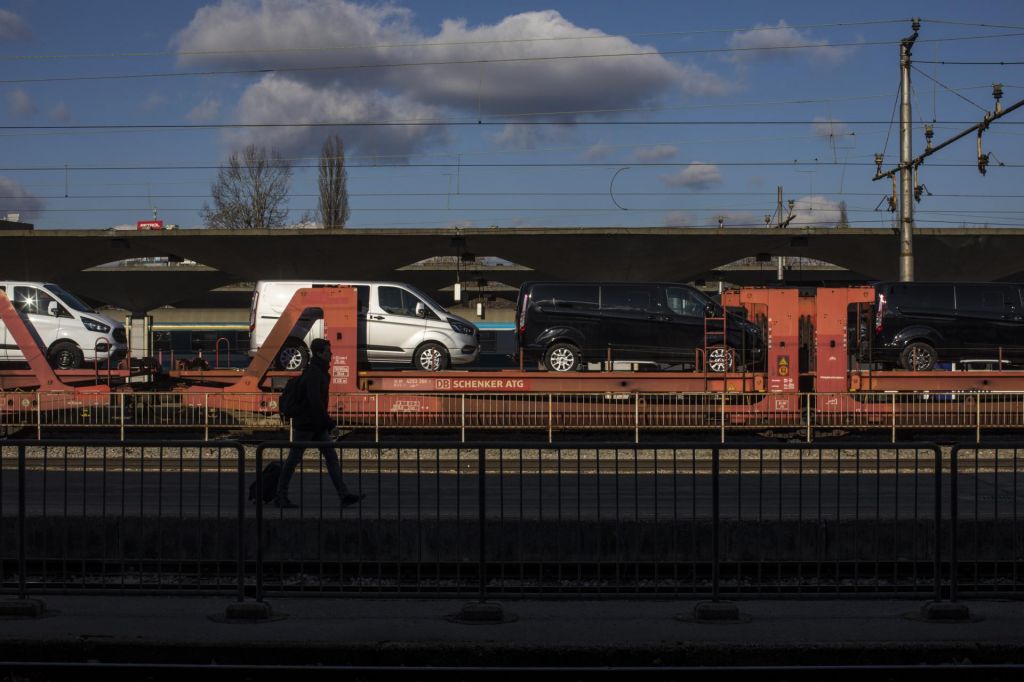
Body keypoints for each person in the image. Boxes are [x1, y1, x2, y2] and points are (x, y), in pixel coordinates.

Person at [273, 338, 365, 509]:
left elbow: (316, 403)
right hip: (307, 424)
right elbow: (315, 402)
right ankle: (280, 495)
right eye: (328, 351)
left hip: (314, 424)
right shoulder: (315, 373)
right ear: (319, 353)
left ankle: (344, 495)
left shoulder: (317, 371)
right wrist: (330, 424)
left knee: (329, 458)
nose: (331, 354)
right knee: (294, 460)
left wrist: (325, 423)